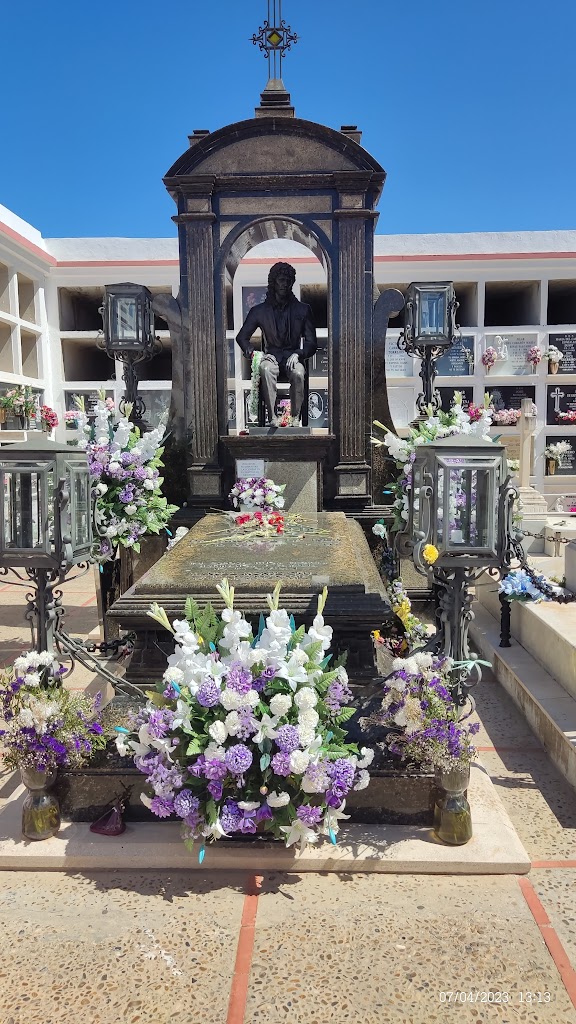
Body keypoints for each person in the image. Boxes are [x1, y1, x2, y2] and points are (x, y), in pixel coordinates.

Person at [236, 262, 317, 427]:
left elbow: (312, 342)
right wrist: (254, 354)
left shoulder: (303, 309)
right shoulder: (259, 311)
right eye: (281, 280)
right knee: (265, 369)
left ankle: (295, 419)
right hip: (271, 357)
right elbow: (242, 337)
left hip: (292, 357)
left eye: (288, 280)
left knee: (299, 373)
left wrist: (299, 353)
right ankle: (272, 418)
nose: (285, 284)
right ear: (273, 282)